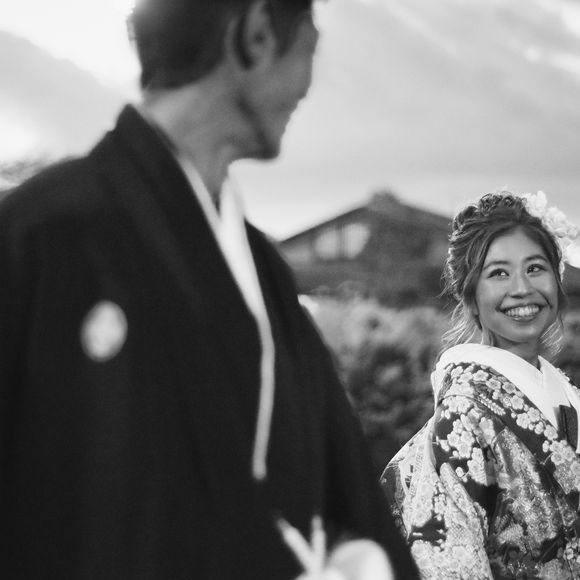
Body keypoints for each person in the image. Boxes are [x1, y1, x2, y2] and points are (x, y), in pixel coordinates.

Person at [0, 1, 419, 578]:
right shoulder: (41, 236)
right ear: (256, 35)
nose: (307, 86)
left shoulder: (264, 272)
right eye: (309, 48)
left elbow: (345, 496)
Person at [381, 190, 580, 578]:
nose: (522, 288)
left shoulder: (566, 397)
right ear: (469, 294)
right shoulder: (462, 416)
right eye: (499, 273)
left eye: (535, 268)